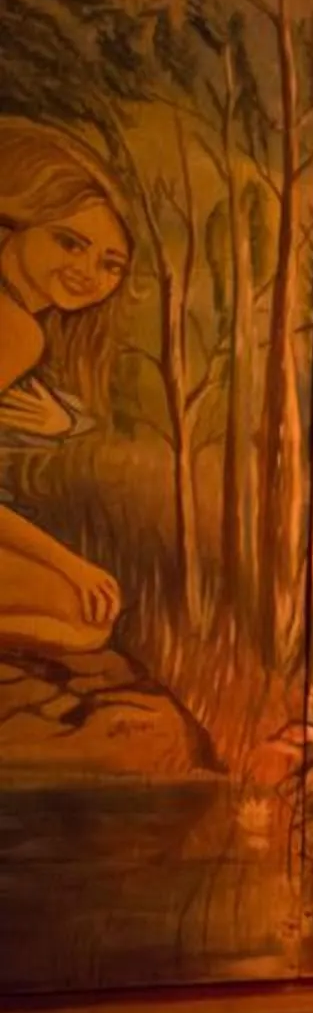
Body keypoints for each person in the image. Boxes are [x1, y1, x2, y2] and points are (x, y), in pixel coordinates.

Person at [0, 118, 132, 653]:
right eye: (69, 242)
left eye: (110, 264)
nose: (87, 272)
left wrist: (64, 421)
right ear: (16, 223)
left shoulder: (23, 328)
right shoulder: (16, 331)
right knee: (85, 610)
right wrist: (70, 564)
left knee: (86, 620)